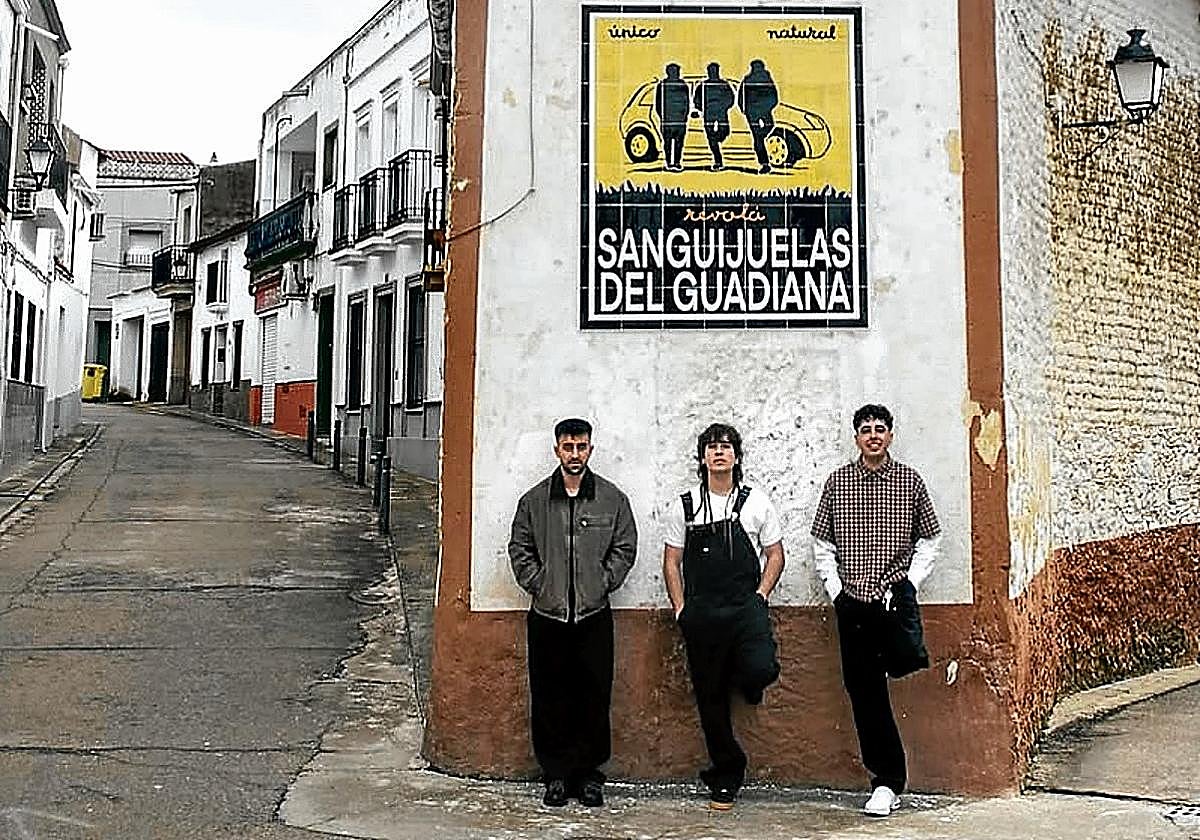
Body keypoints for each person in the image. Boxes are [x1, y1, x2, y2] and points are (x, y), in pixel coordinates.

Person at [810, 404, 941, 818]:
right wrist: (836, 592)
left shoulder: (910, 482)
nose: (873, 436)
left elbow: (930, 539)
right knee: (865, 693)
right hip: (854, 605)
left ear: (890, 435)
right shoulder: (839, 482)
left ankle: (889, 777)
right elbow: (822, 544)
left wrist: (908, 586)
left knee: (899, 675)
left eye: (879, 429)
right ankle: (886, 781)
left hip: (892, 604)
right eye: (865, 429)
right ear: (856, 437)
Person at [509, 418, 638, 807]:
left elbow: (625, 546)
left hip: (593, 616)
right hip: (547, 617)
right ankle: (556, 775)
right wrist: (540, 584)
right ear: (557, 450)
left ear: (590, 449)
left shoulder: (612, 499)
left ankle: (590, 775)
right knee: (550, 697)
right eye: (568, 447)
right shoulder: (534, 502)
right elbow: (520, 548)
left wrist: (601, 583)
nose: (575, 454)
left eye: (581, 447)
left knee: (593, 696)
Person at [663, 423, 785, 811]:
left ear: (736, 456)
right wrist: (681, 607)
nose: (719, 453)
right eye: (712, 447)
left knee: (762, 669)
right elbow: (672, 562)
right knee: (710, 698)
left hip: (745, 607)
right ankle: (726, 772)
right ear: (702, 457)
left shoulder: (756, 502)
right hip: (702, 612)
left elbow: (775, 554)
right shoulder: (684, 505)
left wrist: (761, 596)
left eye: (726, 447)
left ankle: (744, 677)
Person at [737, 59, 779, 173]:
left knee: (759, 136)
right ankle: (764, 163)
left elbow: (741, 97)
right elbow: (774, 96)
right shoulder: (766, 79)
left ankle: (763, 160)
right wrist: (769, 107)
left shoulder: (748, 79)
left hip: (754, 112)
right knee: (767, 129)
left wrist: (745, 110)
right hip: (762, 111)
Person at [692, 62, 734, 170]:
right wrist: (702, 109)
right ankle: (718, 161)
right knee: (711, 138)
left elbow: (731, 98)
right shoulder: (703, 85)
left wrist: (724, 107)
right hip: (709, 114)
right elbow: (696, 99)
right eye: (711, 71)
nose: (713, 73)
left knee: (725, 132)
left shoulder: (724, 85)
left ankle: (717, 141)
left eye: (714, 70)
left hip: (721, 114)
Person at [654, 63, 691, 171]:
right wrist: (684, 116)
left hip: (670, 121)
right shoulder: (682, 85)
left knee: (669, 143)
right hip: (676, 121)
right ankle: (675, 163)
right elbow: (686, 103)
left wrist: (663, 116)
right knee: (675, 143)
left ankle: (672, 163)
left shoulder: (663, 85)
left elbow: (658, 104)